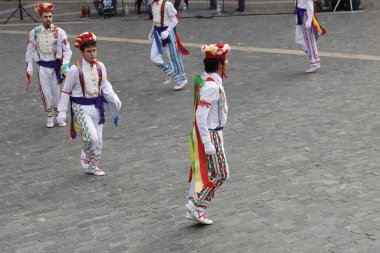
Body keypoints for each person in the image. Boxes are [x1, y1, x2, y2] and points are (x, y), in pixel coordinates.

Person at [57, 32, 122, 176]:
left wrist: (114, 97)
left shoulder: (100, 66)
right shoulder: (75, 69)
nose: (92, 54)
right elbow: (66, 90)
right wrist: (62, 111)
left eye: (94, 50)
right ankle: (85, 152)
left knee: (98, 140)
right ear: (82, 52)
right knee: (91, 137)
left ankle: (93, 166)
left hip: (97, 106)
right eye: (89, 51)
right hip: (80, 107)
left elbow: (105, 84)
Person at [187, 43, 231, 225]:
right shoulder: (212, 87)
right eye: (226, 60)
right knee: (221, 173)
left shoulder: (207, 80)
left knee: (206, 172)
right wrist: (207, 143)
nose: (228, 63)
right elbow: (200, 114)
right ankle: (196, 204)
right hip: (212, 134)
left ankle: (194, 206)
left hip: (212, 133)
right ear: (220, 65)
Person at [25, 3, 72, 128]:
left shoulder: (60, 32)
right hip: (42, 67)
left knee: (58, 92)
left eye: (50, 16)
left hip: (56, 66)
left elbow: (67, 50)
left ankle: (59, 115)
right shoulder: (35, 32)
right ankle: (49, 116)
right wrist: (29, 64)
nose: (48, 19)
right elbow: (30, 50)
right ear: (41, 17)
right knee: (45, 93)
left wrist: (65, 65)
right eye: (45, 16)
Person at [149, 0, 189, 90]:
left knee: (173, 56)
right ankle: (169, 71)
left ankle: (182, 79)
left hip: (168, 32)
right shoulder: (153, 5)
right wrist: (152, 32)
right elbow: (155, 21)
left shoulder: (167, 4)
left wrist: (167, 31)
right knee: (153, 57)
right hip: (157, 33)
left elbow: (175, 19)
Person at [295, 0, 326, 73]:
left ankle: (314, 60)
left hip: (305, 13)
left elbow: (309, 3)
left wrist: (309, 19)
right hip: (299, 12)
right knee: (299, 40)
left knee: (308, 38)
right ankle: (315, 57)